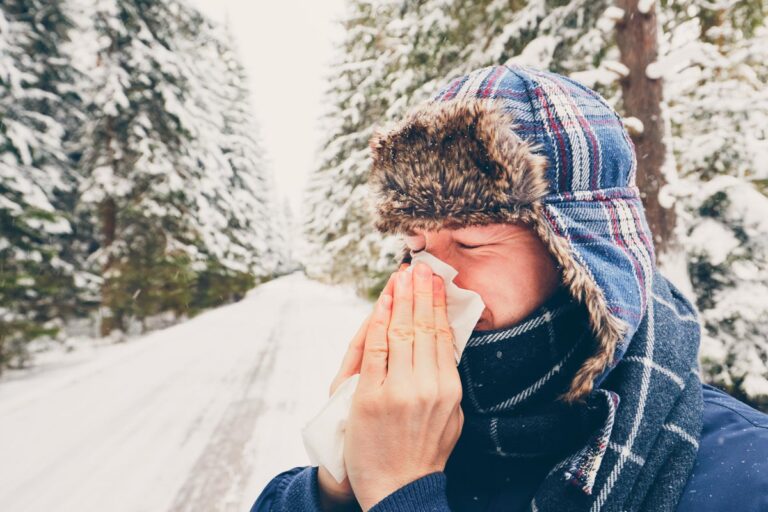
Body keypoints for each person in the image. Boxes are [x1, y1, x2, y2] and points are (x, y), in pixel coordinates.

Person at [250, 65, 768, 511]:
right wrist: (335, 487)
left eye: (471, 244)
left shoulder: (740, 476)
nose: (426, 275)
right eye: (414, 246)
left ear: (582, 259)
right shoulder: (413, 417)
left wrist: (400, 491)